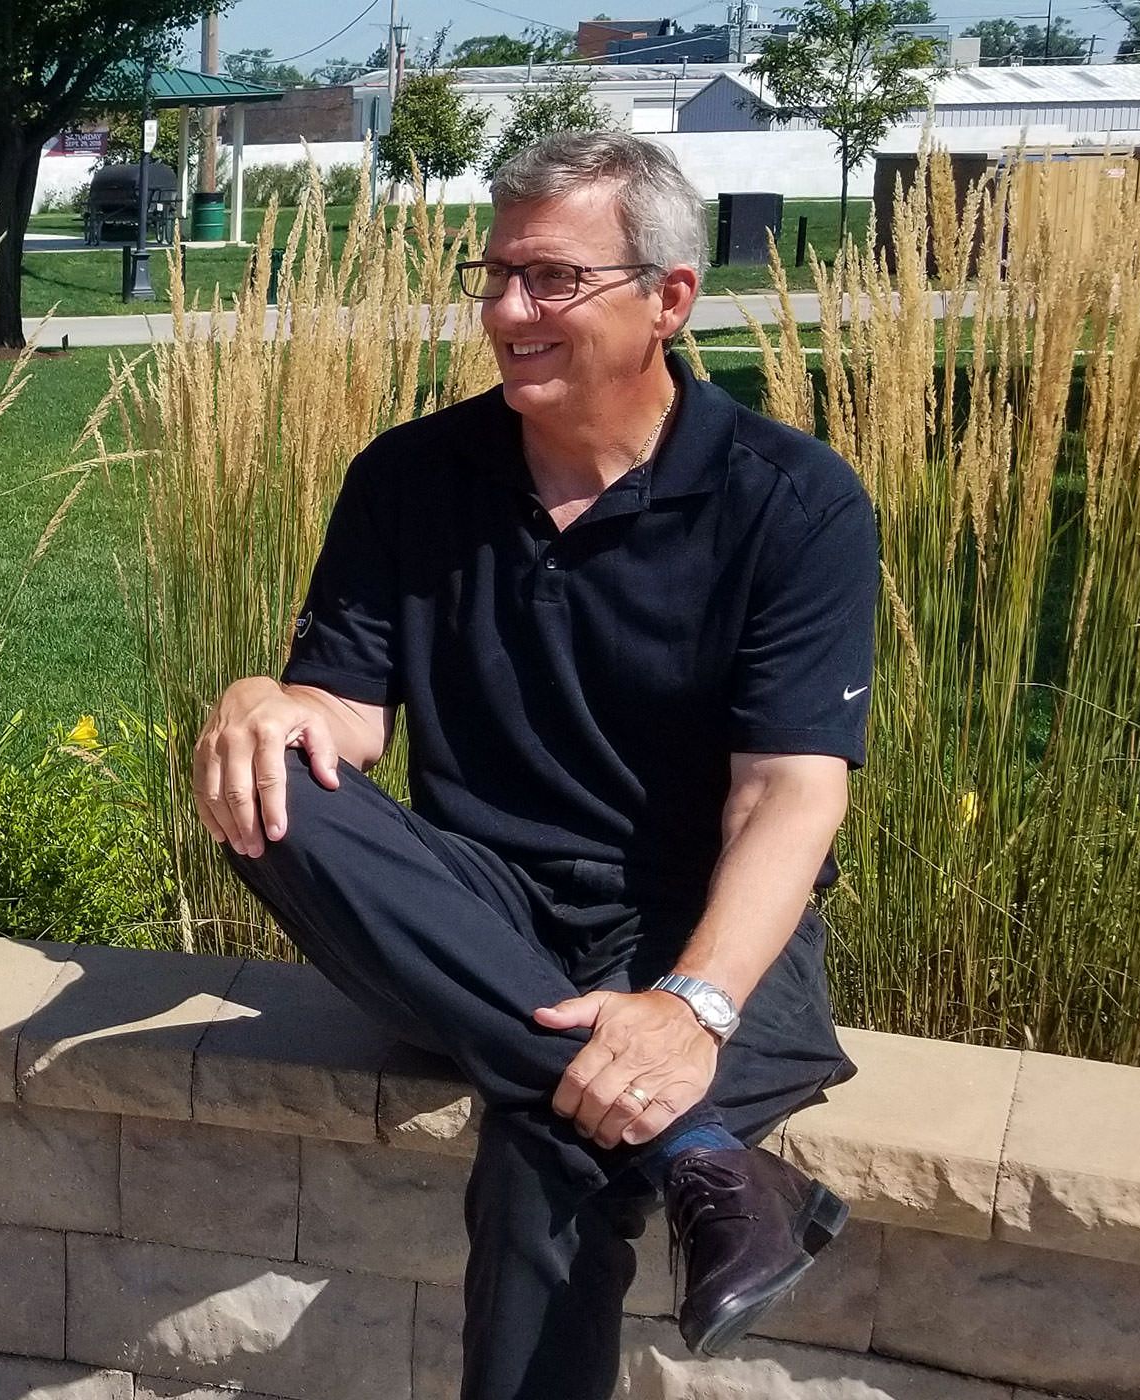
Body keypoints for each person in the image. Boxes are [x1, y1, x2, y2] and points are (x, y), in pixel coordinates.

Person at [193, 132, 878, 1400]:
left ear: (668, 298)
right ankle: (709, 1154)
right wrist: (262, 701)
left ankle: (652, 1097)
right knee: (280, 797)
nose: (509, 310)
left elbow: (788, 792)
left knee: (548, 1141)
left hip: (706, 930)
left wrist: (689, 1009)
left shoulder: (792, 500)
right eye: (496, 272)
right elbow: (344, 714)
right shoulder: (410, 476)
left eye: (553, 278)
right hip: (478, 913)